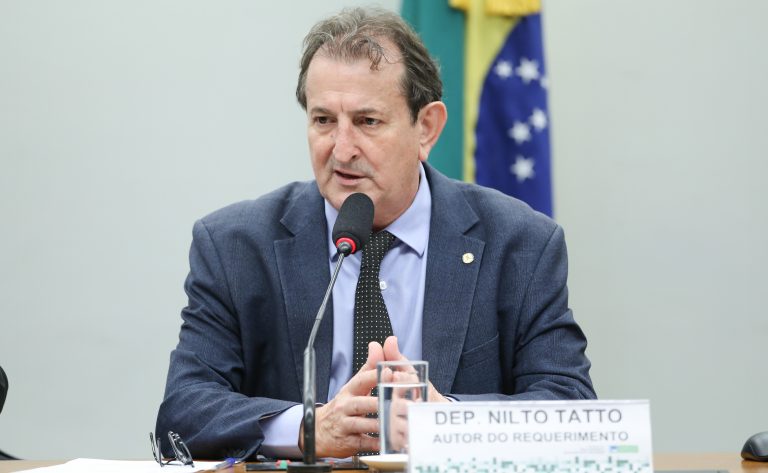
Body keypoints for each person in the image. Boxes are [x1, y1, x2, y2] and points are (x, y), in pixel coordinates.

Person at [156, 7, 595, 461]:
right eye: (323, 120)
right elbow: (184, 411)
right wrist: (310, 428)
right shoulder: (235, 246)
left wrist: (448, 420)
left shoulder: (519, 244)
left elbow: (571, 405)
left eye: (368, 121)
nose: (342, 149)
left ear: (427, 128)